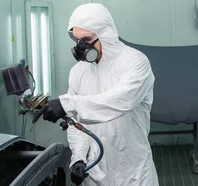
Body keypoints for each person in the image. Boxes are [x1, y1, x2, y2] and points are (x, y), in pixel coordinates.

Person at [33, 3, 159, 186]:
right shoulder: (78, 72)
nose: (81, 47)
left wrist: (67, 105)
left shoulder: (135, 62)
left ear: (106, 34)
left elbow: (120, 101)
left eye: (87, 39)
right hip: (95, 169)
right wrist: (78, 157)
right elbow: (78, 124)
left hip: (133, 171)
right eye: (77, 40)